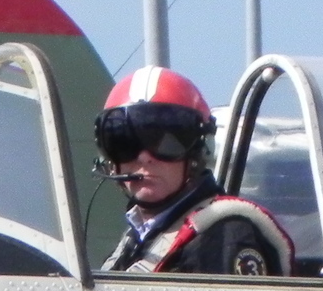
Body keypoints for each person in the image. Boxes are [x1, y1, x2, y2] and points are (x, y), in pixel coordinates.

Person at [95, 66, 294, 277]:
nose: (144, 157)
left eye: (166, 142)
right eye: (124, 142)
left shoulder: (225, 236)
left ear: (197, 153)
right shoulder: (134, 241)